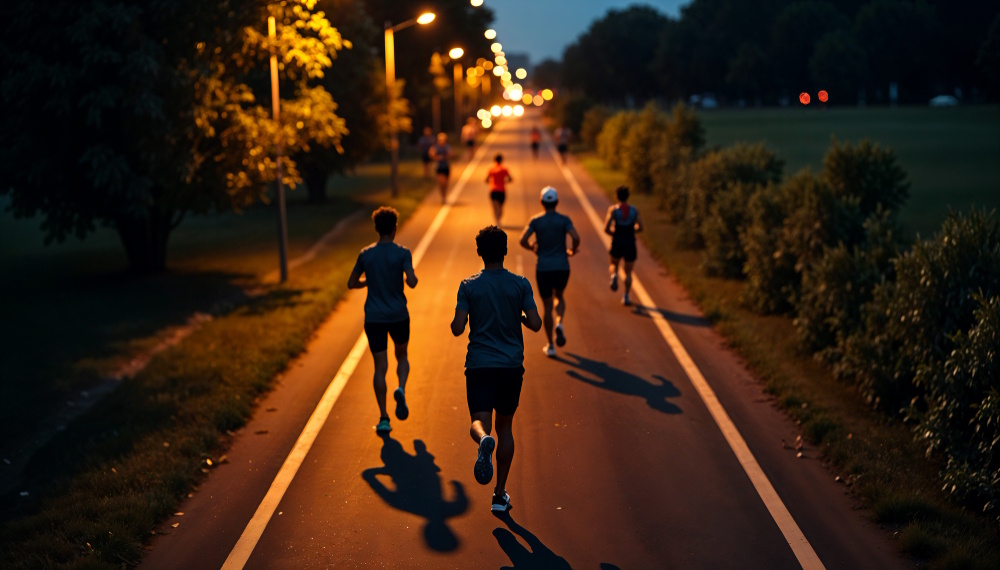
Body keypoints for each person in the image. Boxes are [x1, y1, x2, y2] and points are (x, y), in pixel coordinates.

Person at [451, 226, 542, 513]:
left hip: (479, 364)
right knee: (505, 427)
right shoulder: (521, 284)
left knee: (478, 422)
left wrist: (464, 320)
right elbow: (537, 323)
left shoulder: (468, 286)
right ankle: (499, 494)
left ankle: (482, 439)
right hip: (510, 366)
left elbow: (457, 328)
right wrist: (521, 319)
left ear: (479, 252)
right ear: (505, 251)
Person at [348, 207, 419, 434]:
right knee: (402, 355)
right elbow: (412, 281)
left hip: (374, 317)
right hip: (398, 315)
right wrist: (410, 277)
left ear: (376, 229)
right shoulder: (403, 253)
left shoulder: (366, 254)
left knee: (380, 366)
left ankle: (384, 417)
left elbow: (351, 283)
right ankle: (401, 388)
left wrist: (369, 282)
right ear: (395, 228)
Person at [519, 187, 580, 357]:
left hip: (543, 268)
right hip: (562, 266)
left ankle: (551, 345)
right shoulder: (564, 220)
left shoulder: (536, 221)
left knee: (546, 306)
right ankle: (559, 323)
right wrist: (572, 250)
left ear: (541, 202)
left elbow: (522, 239)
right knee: (559, 297)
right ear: (557, 202)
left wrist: (532, 248)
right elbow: (575, 237)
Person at [604, 185, 643, 306]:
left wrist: (613, 233)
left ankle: (614, 275)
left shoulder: (614, 210)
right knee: (629, 272)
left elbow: (606, 228)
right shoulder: (634, 210)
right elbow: (640, 227)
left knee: (613, 264)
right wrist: (631, 231)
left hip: (617, 240)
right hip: (630, 242)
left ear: (617, 196)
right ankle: (626, 295)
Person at [485, 153, 512, 225]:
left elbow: (486, 180)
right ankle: (498, 220)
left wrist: (492, 181)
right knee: (500, 207)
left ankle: (497, 221)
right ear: (501, 160)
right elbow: (510, 179)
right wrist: (504, 181)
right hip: (502, 191)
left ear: (494, 160)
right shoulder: (504, 169)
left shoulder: (491, 169)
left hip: (493, 190)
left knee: (495, 207)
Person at [429, 132, 451, 203]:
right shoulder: (435, 147)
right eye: (440, 140)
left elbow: (450, 153)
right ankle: (442, 197)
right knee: (441, 182)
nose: (442, 141)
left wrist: (445, 156)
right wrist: (437, 157)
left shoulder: (447, 147)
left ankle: (444, 196)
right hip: (439, 167)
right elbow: (431, 154)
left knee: (445, 184)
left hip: (446, 166)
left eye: (443, 140)